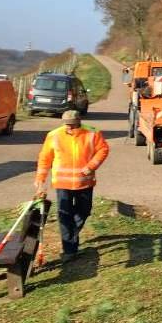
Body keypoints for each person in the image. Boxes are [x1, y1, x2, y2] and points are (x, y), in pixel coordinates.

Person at [35, 110, 110, 262]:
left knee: (85, 210)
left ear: (79, 122)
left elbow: (103, 150)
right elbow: (45, 158)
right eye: (66, 124)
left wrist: (91, 166)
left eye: (72, 125)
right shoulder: (54, 135)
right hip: (62, 183)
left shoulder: (92, 133)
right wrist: (40, 178)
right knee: (65, 214)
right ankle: (69, 249)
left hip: (85, 182)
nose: (69, 127)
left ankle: (71, 236)